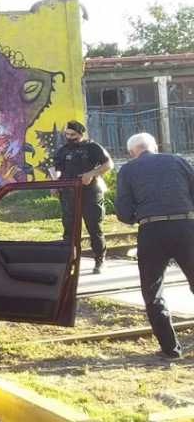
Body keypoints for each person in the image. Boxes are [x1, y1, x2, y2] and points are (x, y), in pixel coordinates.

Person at [115, 133, 194, 360]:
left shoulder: (128, 170)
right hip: (186, 226)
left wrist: (139, 216)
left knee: (153, 290)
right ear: (155, 147)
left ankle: (171, 350)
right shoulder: (178, 160)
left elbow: (123, 212)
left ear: (132, 152)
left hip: (152, 230)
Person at [52, 121, 114, 274]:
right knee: (69, 229)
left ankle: (100, 260)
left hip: (90, 193)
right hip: (68, 194)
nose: (69, 137)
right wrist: (54, 183)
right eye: (67, 134)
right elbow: (56, 169)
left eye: (73, 135)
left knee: (94, 227)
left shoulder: (92, 147)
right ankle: (70, 262)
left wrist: (91, 174)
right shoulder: (62, 150)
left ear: (81, 134)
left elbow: (108, 164)